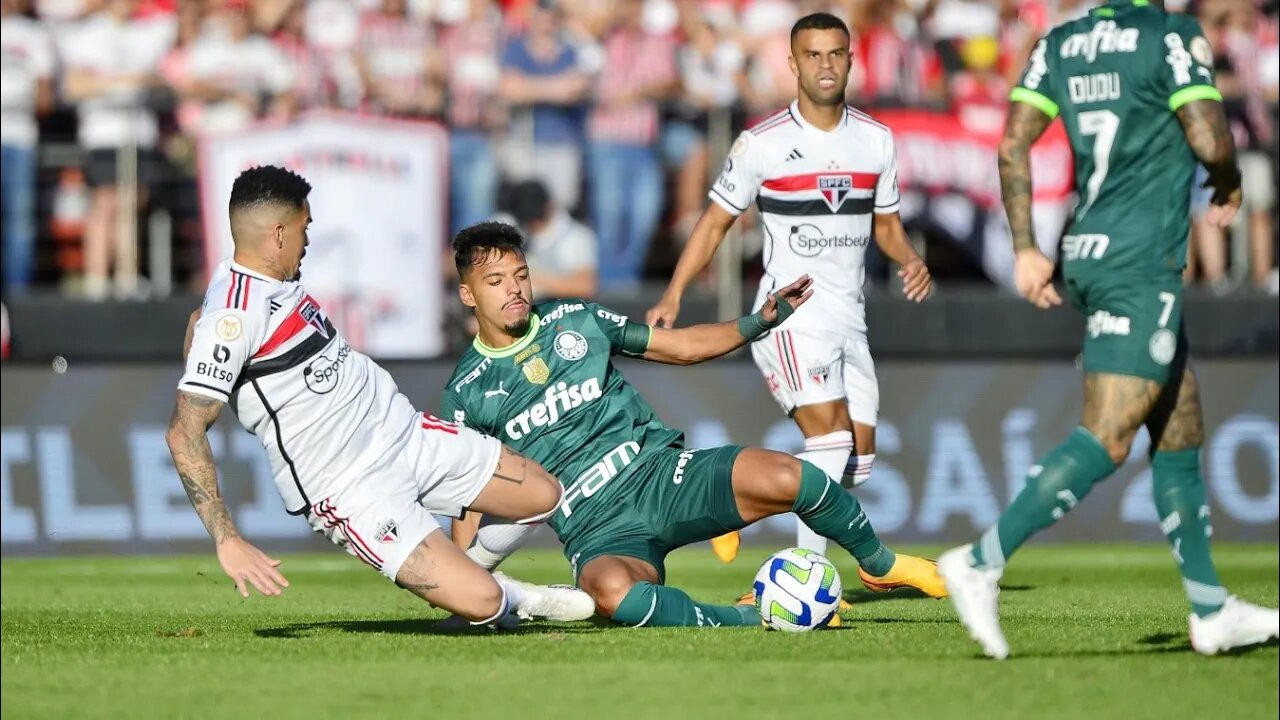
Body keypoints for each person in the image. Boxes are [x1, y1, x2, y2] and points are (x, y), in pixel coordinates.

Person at [936, 0, 1279, 659]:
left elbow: (1012, 143)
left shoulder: (1060, 44)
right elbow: (1209, 134)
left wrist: (1026, 248)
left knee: (1179, 423)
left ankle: (1210, 609)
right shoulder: (1170, 34)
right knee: (1111, 433)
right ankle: (980, 560)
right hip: (1138, 258)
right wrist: (1228, 180)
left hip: (1087, 247)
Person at [439, 221, 946, 629]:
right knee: (613, 596)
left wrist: (759, 322)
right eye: (496, 282)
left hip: (661, 477)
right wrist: (464, 582)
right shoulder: (467, 391)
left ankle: (877, 565)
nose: (514, 290)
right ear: (468, 295)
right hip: (596, 530)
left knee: (797, 477)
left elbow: (680, 347)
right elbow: (470, 495)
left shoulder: (575, 319)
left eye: (520, 275)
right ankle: (746, 618)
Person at [168, 165, 593, 627]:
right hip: (351, 486)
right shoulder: (234, 313)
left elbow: (200, 321)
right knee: (485, 605)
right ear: (278, 234)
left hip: (406, 434)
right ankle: (505, 596)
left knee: (543, 493)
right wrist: (226, 538)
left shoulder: (262, 284)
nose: (308, 240)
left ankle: (471, 580)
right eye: (304, 229)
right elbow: (183, 432)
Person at [645, 13, 932, 577]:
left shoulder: (876, 140)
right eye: (814, 55)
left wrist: (911, 258)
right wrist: (674, 293)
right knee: (828, 444)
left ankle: (724, 507)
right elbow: (712, 224)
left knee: (858, 464)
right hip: (789, 315)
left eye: (836, 54)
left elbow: (889, 227)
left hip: (850, 317)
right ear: (793, 63)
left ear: (851, 60)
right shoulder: (763, 143)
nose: (826, 65)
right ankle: (801, 578)